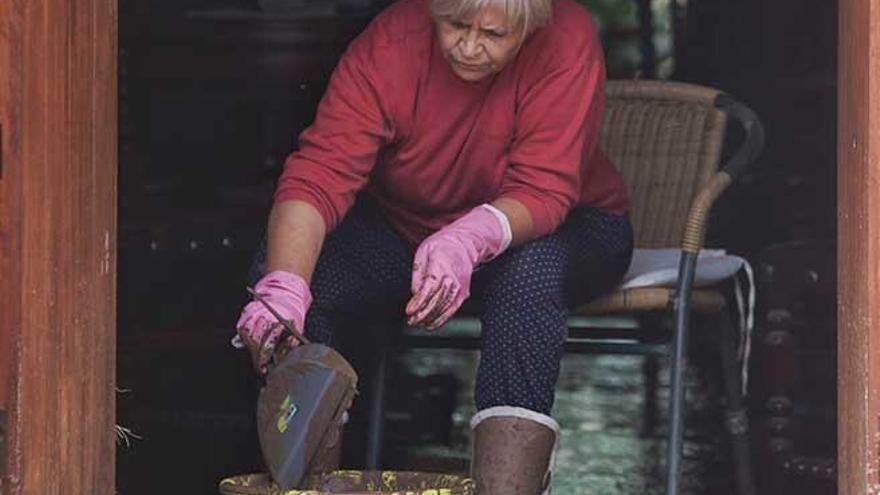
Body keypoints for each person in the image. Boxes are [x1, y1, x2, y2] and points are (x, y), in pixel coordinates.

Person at [235, 0, 633, 492]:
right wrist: (286, 283)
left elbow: (544, 190)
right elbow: (320, 173)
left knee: (527, 279)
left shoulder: (566, 36)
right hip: (412, 230)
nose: (468, 47)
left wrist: (468, 238)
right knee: (300, 272)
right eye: (455, 25)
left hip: (564, 225)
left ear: (530, 25)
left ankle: (507, 487)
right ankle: (309, 480)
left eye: (493, 34)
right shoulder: (394, 39)